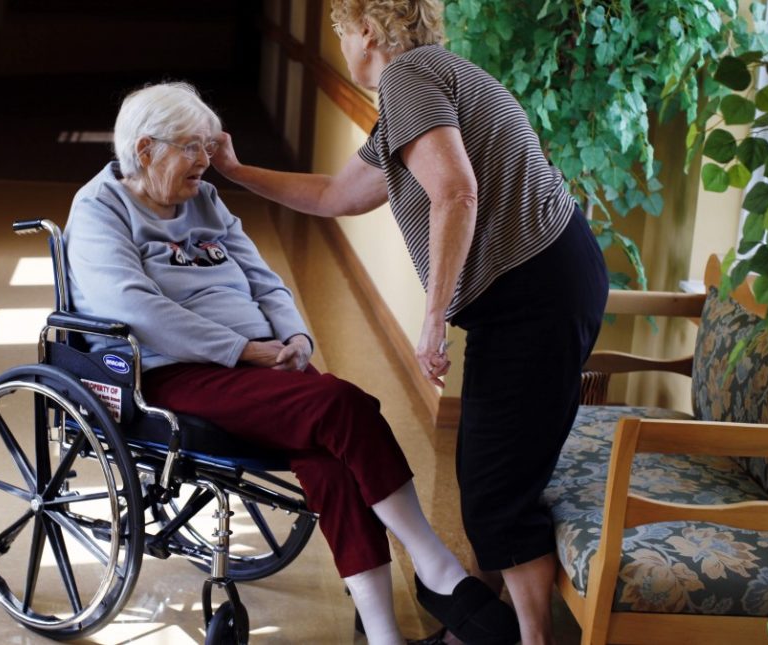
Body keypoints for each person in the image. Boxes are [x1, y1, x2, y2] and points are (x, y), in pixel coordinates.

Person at [208, 2, 610, 644]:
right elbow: (336, 196)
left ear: (367, 30)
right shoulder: (421, 86)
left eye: (340, 32)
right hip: (542, 286)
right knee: (490, 473)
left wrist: (432, 319)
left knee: (493, 493)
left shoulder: (410, 78)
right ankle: (473, 633)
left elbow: (455, 191)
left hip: (534, 295)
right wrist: (233, 172)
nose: (340, 45)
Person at [64, 82, 520, 645]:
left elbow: (262, 276)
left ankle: (383, 635)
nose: (207, 162)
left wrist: (295, 335)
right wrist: (244, 350)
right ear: (145, 150)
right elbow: (134, 307)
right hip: (175, 371)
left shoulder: (203, 198)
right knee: (341, 405)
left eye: (209, 147)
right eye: (193, 148)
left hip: (260, 364)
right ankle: (437, 568)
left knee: (328, 461)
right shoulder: (98, 208)